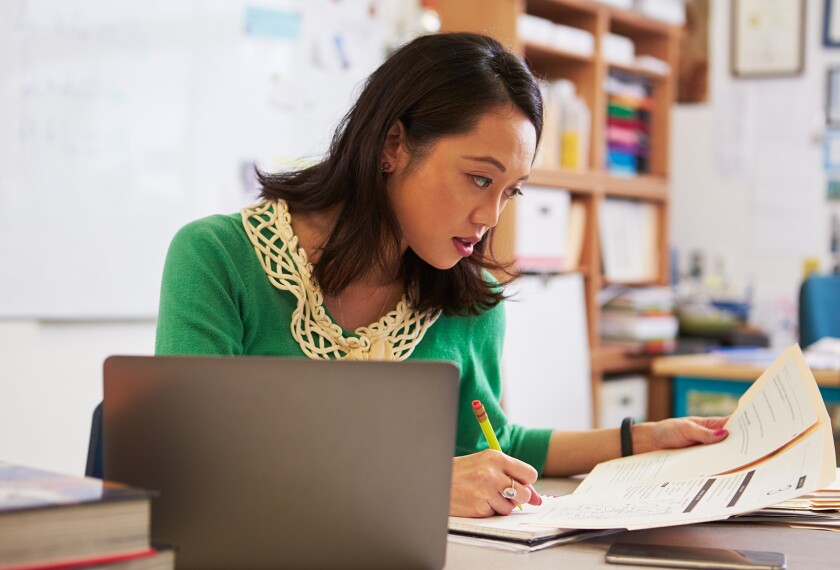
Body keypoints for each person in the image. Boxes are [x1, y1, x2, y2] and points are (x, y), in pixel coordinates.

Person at [155, 32, 729, 518]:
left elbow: (496, 444)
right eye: (480, 179)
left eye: (510, 192)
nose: (490, 217)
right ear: (393, 146)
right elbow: (190, 457)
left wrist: (641, 440)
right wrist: (419, 483)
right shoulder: (218, 258)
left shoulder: (468, 301)